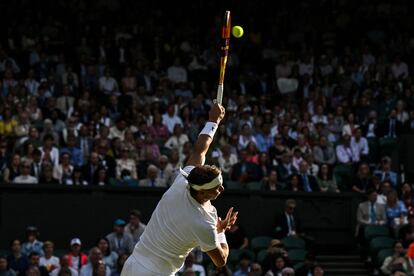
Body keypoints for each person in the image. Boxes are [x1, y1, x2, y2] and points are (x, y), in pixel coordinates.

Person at [121, 104, 238, 275]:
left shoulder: (184, 180)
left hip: (132, 264)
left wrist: (213, 120)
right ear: (201, 192)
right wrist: (219, 232)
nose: (221, 188)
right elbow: (221, 260)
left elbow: (200, 148)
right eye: (216, 187)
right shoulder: (203, 223)